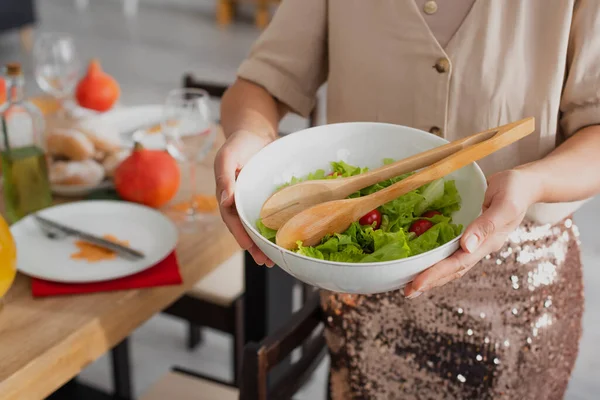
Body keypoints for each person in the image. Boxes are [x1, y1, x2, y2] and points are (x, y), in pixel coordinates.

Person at [215, 1, 600, 398]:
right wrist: (250, 135)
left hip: (516, 298)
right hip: (364, 295)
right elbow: (259, 83)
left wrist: (532, 182)